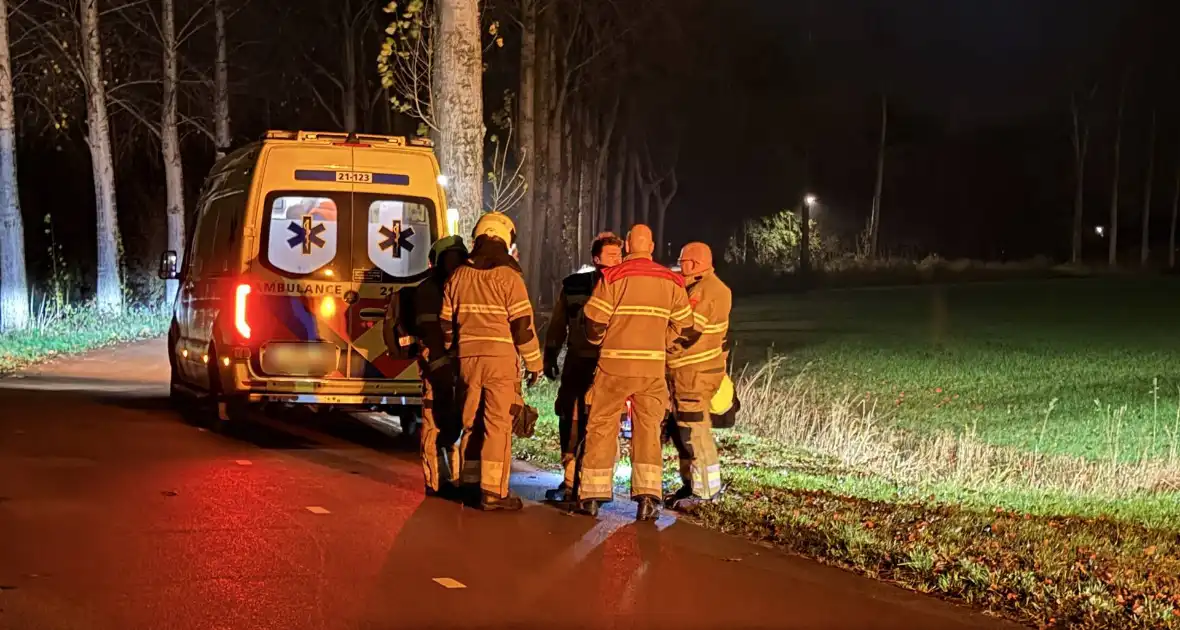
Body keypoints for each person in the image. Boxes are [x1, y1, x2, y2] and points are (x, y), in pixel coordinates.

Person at [576, 224, 698, 521]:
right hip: (651, 369)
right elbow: (686, 327)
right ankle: (647, 498)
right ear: (652, 246)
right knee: (648, 432)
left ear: (628, 245)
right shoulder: (671, 281)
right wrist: (662, 343)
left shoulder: (613, 277)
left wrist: (599, 342)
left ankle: (592, 496)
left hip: (613, 367)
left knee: (602, 426)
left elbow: (593, 320)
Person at [441, 213, 543, 511]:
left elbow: (446, 324)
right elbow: (522, 326)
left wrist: (452, 353)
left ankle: (470, 484)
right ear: (506, 239)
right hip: (500, 361)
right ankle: (494, 492)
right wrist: (534, 364)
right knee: (497, 424)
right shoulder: (509, 277)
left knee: (470, 420)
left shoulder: (458, 276)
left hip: (467, 360)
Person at [384, 236, 469, 499]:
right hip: (436, 365)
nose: (454, 264)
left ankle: (455, 478)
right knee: (433, 420)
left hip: (461, 365)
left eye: (458, 258)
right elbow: (429, 331)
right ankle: (436, 483)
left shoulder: (463, 287)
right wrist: (439, 364)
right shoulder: (428, 291)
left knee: (458, 421)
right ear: (437, 262)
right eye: (450, 258)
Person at [542, 232, 625, 501]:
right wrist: (550, 354)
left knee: (602, 423)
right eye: (611, 255)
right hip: (578, 361)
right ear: (596, 258)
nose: (616, 260)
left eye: (619, 255)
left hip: (610, 363)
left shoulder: (627, 286)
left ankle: (595, 483)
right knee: (571, 419)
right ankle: (569, 483)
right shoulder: (574, 286)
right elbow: (558, 323)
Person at [665, 242, 732, 509]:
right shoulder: (701, 286)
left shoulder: (707, 290)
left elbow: (689, 330)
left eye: (683, 262)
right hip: (690, 373)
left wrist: (661, 342)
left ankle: (705, 492)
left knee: (695, 432)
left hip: (695, 374)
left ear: (694, 263)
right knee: (683, 431)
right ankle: (692, 484)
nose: (680, 266)